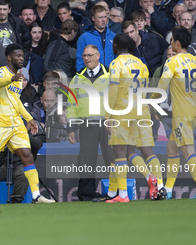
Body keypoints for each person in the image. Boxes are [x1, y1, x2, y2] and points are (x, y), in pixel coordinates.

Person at [0, 44, 54, 204]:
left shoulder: (18, 77)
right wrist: (11, 79)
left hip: (16, 125)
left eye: (22, 56)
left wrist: (29, 119)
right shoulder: (1, 72)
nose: (21, 59)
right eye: (18, 56)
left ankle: (36, 196)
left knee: (27, 156)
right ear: (9, 57)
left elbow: (17, 102)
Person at [105, 33, 157, 203]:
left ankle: (123, 194)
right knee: (130, 152)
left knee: (119, 153)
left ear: (115, 47)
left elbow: (113, 91)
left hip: (121, 111)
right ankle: (150, 176)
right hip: (138, 111)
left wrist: (108, 115)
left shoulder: (116, 64)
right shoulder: (140, 64)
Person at [152, 26, 196, 199]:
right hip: (193, 110)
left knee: (188, 151)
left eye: (171, 41)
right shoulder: (194, 60)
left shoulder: (173, 62)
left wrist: (151, 102)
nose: (170, 45)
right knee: (172, 147)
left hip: (182, 113)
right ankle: (168, 189)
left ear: (177, 43)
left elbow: (162, 87)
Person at [67, 45, 112, 202]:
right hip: (86, 124)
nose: (87, 58)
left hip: (108, 124)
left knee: (111, 158)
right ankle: (86, 194)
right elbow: (72, 105)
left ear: (98, 55)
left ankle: (117, 191)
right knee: (87, 160)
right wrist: (71, 128)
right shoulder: (77, 78)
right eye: (84, 56)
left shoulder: (111, 75)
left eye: (90, 55)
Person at [76, 5, 116, 72]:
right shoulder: (84, 37)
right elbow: (80, 60)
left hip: (111, 76)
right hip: (92, 77)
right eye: (100, 17)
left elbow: (117, 58)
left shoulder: (114, 36)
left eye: (105, 17)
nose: (103, 20)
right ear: (93, 18)